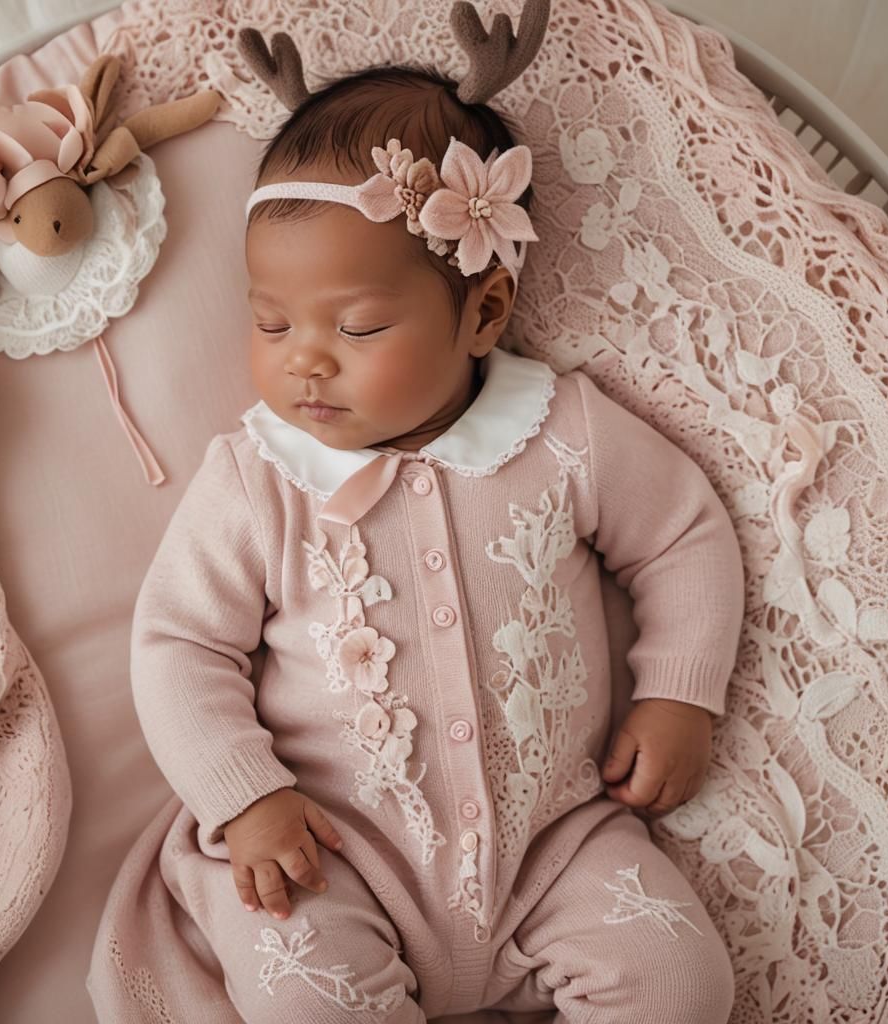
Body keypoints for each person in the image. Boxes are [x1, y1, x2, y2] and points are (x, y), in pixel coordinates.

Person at [120, 9, 744, 1022]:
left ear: (483, 313)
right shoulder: (259, 476)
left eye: (358, 325)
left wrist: (679, 692)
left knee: (682, 981)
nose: (303, 357)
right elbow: (178, 644)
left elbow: (682, 537)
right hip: (325, 846)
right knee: (302, 997)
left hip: (555, 846)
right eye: (270, 322)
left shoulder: (558, 431)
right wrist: (243, 791)